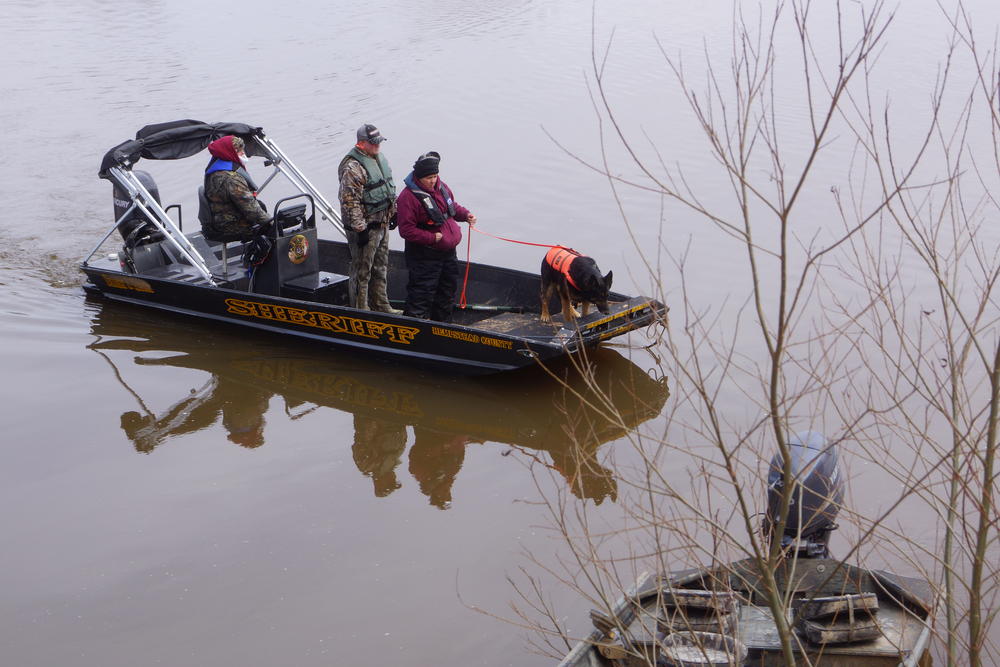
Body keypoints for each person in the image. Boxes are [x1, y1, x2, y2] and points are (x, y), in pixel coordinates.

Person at [395, 151, 477, 321]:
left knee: (447, 291)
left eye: (435, 176)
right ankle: (414, 329)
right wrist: (431, 238)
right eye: (429, 178)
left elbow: (450, 207)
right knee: (421, 294)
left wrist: (465, 215)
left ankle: (443, 326)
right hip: (424, 255)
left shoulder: (442, 187)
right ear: (419, 177)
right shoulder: (407, 198)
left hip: (447, 253)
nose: (433, 180)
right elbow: (406, 230)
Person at [338, 123, 399, 313]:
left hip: (381, 223)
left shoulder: (378, 159)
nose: (378, 146)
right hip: (365, 229)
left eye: (379, 142)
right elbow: (349, 202)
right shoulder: (353, 167)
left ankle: (380, 305)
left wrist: (393, 212)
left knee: (380, 267)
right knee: (362, 271)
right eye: (374, 143)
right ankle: (360, 310)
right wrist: (360, 228)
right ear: (362, 144)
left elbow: (388, 188)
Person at [203, 135, 269, 240]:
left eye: (243, 149)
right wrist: (272, 223)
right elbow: (251, 210)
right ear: (228, 152)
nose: (243, 153)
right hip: (231, 226)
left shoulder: (216, 169)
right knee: (269, 227)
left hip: (219, 220)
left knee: (261, 207)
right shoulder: (232, 179)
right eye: (238, 151)